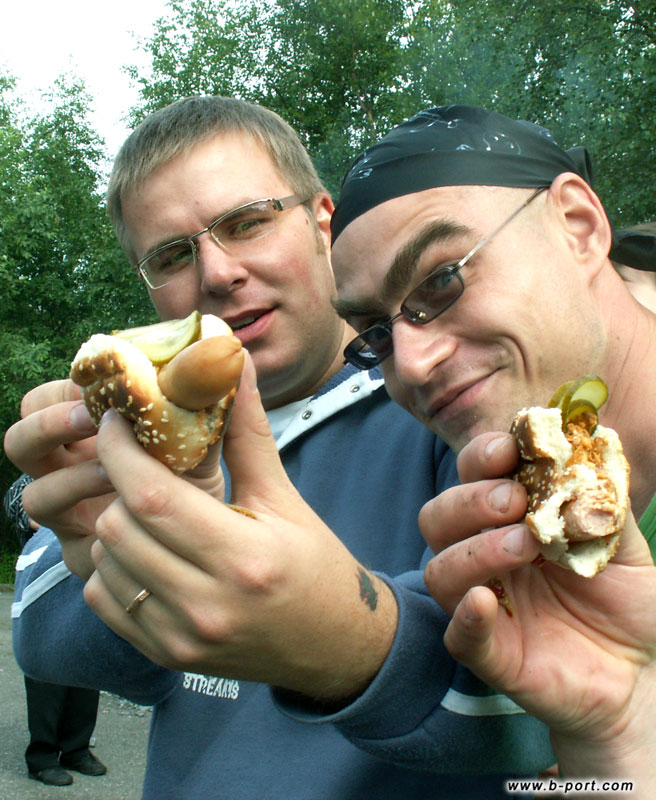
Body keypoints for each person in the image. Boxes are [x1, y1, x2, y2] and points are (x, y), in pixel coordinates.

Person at [5, 97, 555, 800]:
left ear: (323, 222)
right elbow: (43, 643)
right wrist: (108, 552)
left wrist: (345, 641)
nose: (217, 273)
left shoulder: (447, 393)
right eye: (172, 255)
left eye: (246, 222)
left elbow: (543, 710)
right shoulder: (158, 434)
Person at [328, 104, 656, 792]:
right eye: (376, 335)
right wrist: (616, 733)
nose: (410, 365)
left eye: (442, 280)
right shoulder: (515, 516)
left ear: (578, 227)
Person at [4, 476, 107, 786]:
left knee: (87, 668)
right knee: (45, 675)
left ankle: (76, 749)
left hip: (83, 586)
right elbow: (31, 517)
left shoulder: (84, 479)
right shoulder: (27, 483)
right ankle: (42, 757)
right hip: (41, 589)